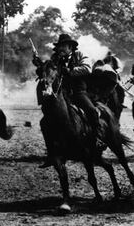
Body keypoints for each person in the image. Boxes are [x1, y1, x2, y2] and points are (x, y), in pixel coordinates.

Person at [33, 33, 100, 168]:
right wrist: (39, 64)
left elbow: (87, 68)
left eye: (64, 46)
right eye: (60, 46)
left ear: (70, 47)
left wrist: (69, 70)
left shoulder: (79, 55)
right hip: (61, 93)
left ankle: (97, 139)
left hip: (78, 91)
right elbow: (47, 71)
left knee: (92, 111)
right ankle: (51, 154)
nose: (61, 49)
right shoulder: (54, 58)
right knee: (44, 122)